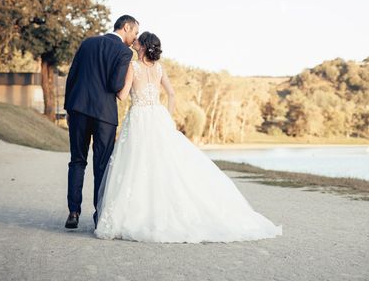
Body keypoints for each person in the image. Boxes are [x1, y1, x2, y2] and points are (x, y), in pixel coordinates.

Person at [93, 31, 282, 243]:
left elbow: (122, 95)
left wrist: (111, 84)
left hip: (138, 118)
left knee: (136, 165)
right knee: (163, 166)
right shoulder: (160, 68)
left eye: (138, 40)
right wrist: (167, 116)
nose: (134, 42)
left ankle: (138, 213)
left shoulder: (133, 67)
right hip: (157, 116)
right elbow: (172, 94)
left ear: (143, 47)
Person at [63, 15, 139, 229]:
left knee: (77, 160)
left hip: (78, 109)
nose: (135, 38)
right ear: (126, 27)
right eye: (135, 33)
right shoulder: (124, 52)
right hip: (104, 115)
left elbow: (72, 75)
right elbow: (116, 85)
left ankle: (73, 212)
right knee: (102, 165)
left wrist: (68, 107)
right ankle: (99, 215)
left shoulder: (88, 42)